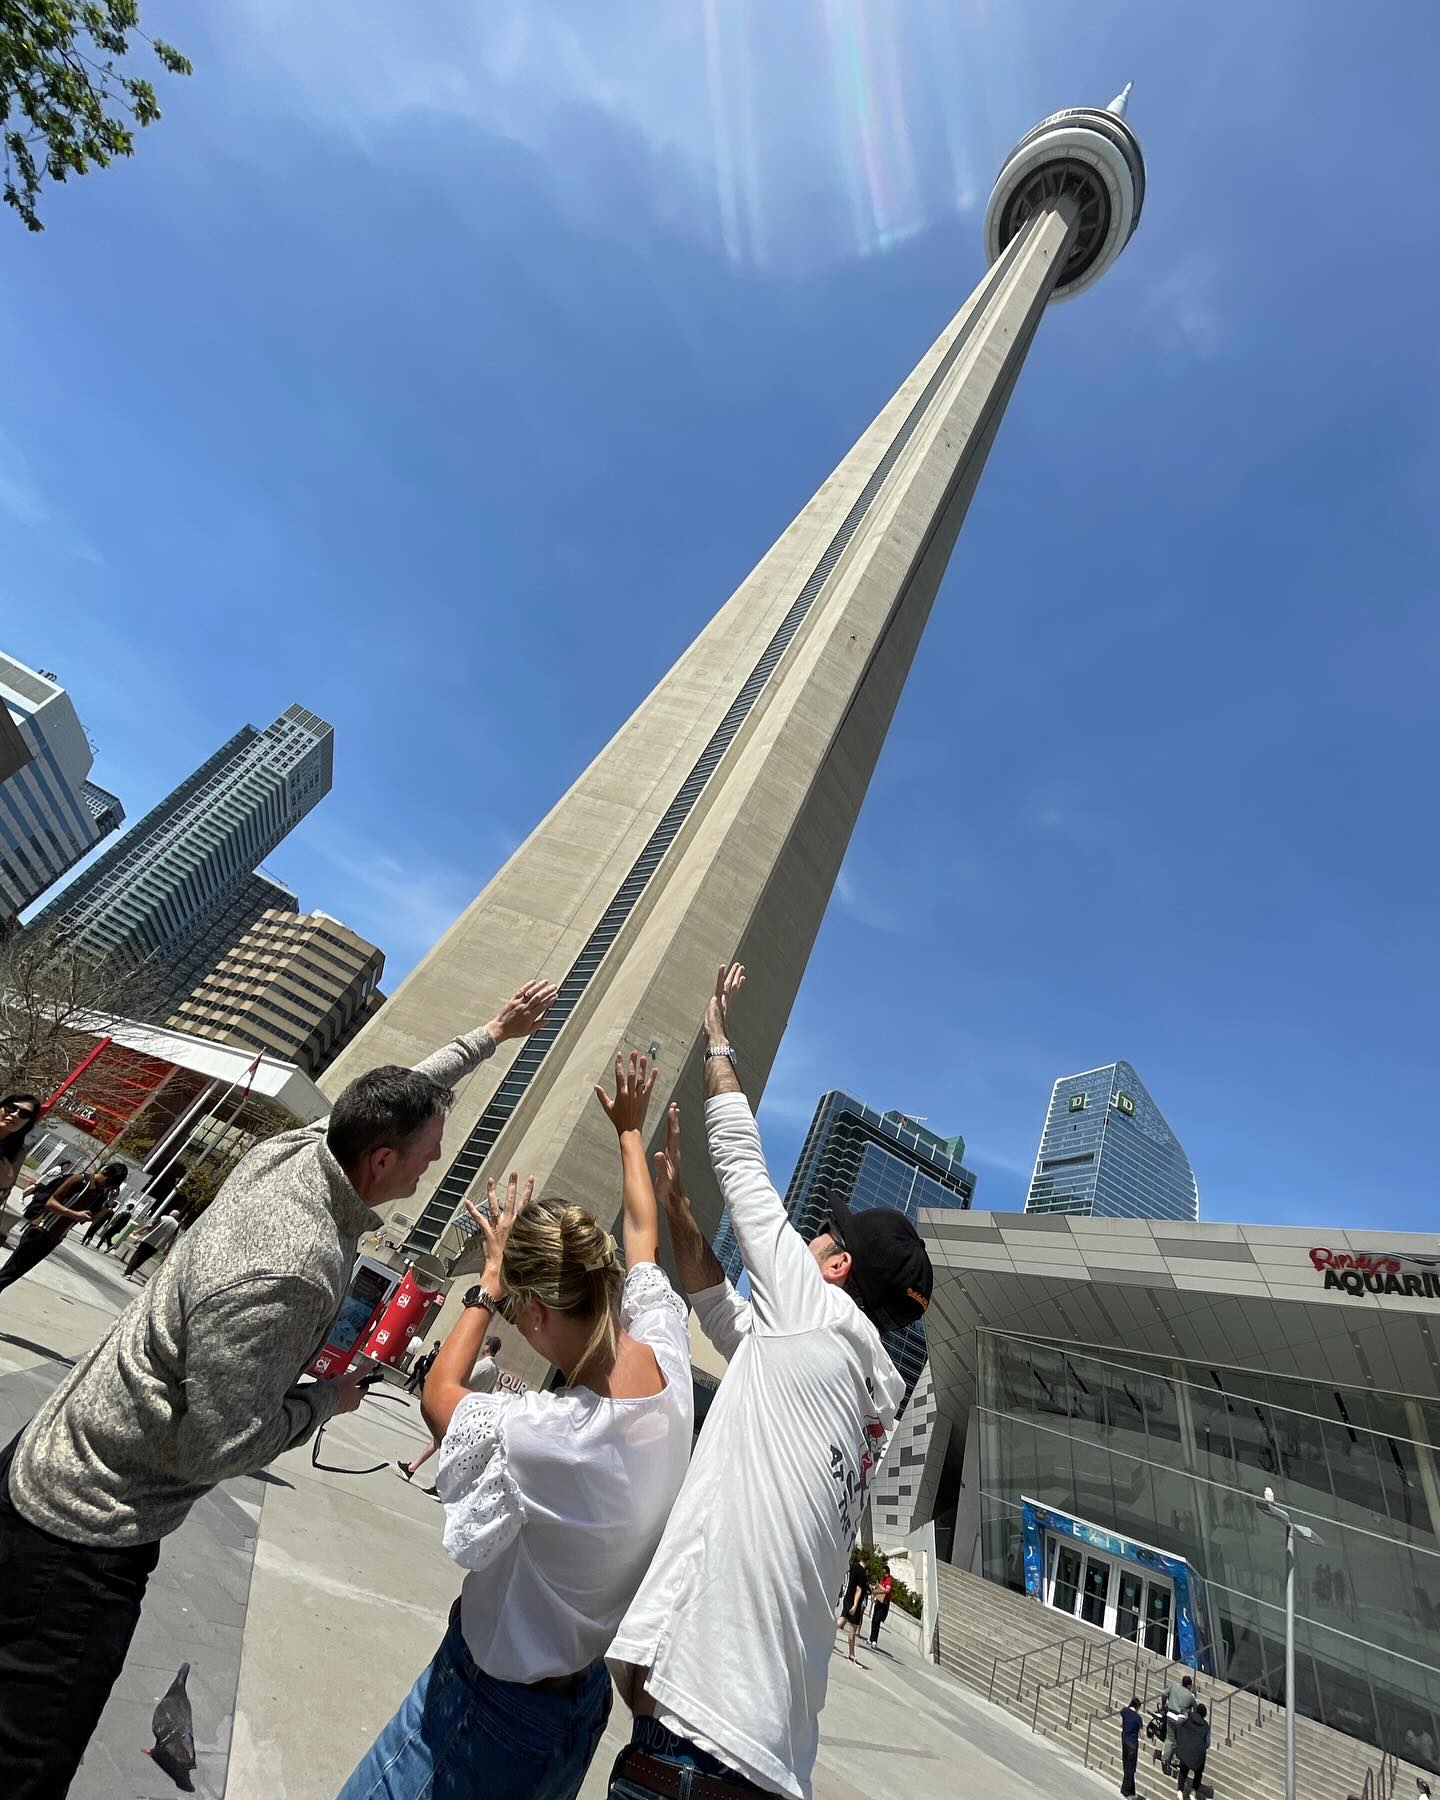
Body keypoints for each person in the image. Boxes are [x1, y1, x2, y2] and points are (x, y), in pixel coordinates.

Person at [0, 978, 556, 1800]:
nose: (437, 1158)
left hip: (44, 1460)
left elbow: (401, 1089)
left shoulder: (294, 1153)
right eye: (429, 1149)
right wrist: (324, 1403)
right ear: (381, 1160)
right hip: (85, 1536)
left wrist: (491, 1031)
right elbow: (214, 1444)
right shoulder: (295, 1266)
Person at [606, 964, 933, 1800]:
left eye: (821, 1243)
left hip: (697, 1746)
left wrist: (719, 1043)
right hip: (768, 1759)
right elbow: (724, 1317)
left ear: (838, 1267)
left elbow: (746, 1173)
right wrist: (681, 1211)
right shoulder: (856, 1388)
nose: (807, 1248)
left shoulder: (819, 1318)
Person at [339, 1047, 695, 1800]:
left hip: (487, 1716)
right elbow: (644, 1237)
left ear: (532, 1313)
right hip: (575, 1712)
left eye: (515, 1309)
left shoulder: (555, 1434)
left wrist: (484, 1286)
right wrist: (629, 1132)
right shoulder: (667, 1364)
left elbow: (441, 1395)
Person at [0, 1160, 126, 1299]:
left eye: (110, 1186)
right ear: (105, 1172)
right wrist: (74, 1214)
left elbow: (91, 1218)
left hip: (54, 1238)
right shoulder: (80, 1180)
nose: (106, 1187)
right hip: (41, 1230)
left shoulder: (100, 1194)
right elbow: (51, 1203)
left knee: (16, 1273)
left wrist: (109, 1204)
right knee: (11, 1270)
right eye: (108, 1182)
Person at [396, 1336, 501, 1489]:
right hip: (472, 1410)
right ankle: (413, 1468)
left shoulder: (484, 1365)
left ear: (487, 1346)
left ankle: (438, 1485)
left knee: (446, 1445)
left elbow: (464, 1381)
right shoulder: (495, 1370)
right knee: (439, 1440)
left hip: (461, 1407)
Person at [0, 1093, 42, 1249]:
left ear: (28, 1123)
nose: (15, 1115)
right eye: (11, 1108)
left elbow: (4, 1195)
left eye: (24, 1114)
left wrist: (3, 1185)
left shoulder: (17, 1152)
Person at [123, 1204, 183, 1280]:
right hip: (157, 1245)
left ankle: (128, 1273)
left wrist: (138, 1231)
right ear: (177, 1217)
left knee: (136, 1256)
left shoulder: (163, 1217)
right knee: (142, 1259)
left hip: (148, 1240)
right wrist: (167, 1249)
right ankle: (129, 1272)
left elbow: (150, 1225)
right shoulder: (176, 1225)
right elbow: (172, 1238)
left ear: (171, 1213)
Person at [1173, 1701, 1209, 1797]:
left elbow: (1180, 1727)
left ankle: (1180, 1790)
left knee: (1183, 1770)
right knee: (1198, 1773)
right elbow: (1208, 1743)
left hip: (1186, 1750)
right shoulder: (1206, 1726)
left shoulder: (1188, 1718)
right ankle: (1193, 1791)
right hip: (1197, 1754)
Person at [1163, 1673, 1196, 1775]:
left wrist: (1164, 1704)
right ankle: (1176, 1760)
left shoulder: (1173, 1686)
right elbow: (1195, 1709)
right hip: (1181, 1718)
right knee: (1180, 1740)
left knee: (1170, 1738)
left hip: (1170, 1715)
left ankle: (1165, 1758)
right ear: (1189, 1685)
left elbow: (1164, 1694)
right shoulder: (1190, 1696)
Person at [839, 1552, 869, 1663]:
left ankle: (825, 1633)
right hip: (853, 1602)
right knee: (852, 1629)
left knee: (842, 1620)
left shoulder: (853, 1567)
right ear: (867, 1561)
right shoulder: (862, 1573)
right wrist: (856, 1605)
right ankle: (851, 1654)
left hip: (847, 1598)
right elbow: (859, 1590)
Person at [1119, 1695, 1143, 1797]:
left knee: (1126, 1765)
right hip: (1133, 1743)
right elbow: (1142, 1735)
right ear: (1137, 1707)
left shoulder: (1124, 1711)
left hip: (1124, 1740)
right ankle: (1125, 1790)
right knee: (1131, 1768)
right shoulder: (1138, 1718)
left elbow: (1120, 1724)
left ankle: (1132, 1791)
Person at [868, 1565, 894, 1647]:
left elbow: (887, 1590)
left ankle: (874, 1640)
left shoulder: (889, 1580)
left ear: (887, 1572)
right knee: (873, 1620)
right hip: (879, 1601)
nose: (883, 1574)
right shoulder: (883, 1579)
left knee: (877, 1621)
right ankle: (871, 1638)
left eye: (884, 1573)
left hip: (884, 1603)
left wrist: (880, 1587)